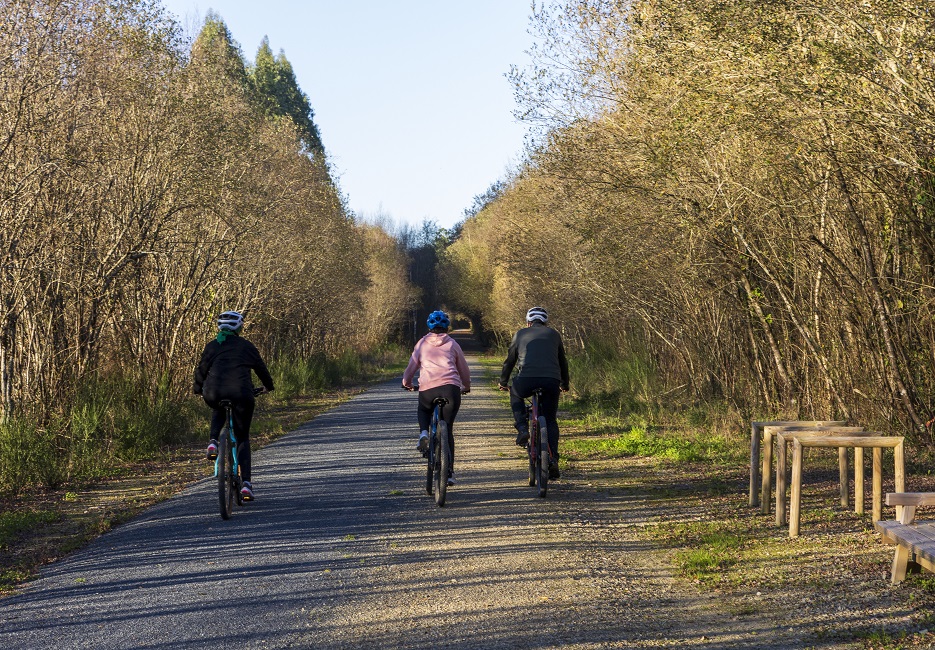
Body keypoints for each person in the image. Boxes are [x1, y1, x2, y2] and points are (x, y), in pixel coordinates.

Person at [194, 310, 274, 501]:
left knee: (218, 408)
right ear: (239, 327)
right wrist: (268, 387)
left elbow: (201, 370)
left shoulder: (212, 346)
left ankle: (213, 441)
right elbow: (261, 369)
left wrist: (198, 389)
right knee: (242, 438)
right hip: (241, 394)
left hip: (213, 392)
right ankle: (246, 484)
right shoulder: (247, 346)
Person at [498, 306, 569, 479]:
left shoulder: (520, 334)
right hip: (551, 381)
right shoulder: (554, 334)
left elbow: (509, 361)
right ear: (545, 322)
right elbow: (562, 362)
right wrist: (564, 383)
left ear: (528, 322)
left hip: (526, 380)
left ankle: (522, 427)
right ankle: (553, 459)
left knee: (515, 392)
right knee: (550, 420)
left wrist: (503, 382)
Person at [402, 310, 471, 485]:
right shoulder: (453, 344)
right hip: (451, 389)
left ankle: (424, 433)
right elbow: (463, 369)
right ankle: (448, 473)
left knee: (423, 409)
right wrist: (466, 386)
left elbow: (411, 368)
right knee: (447, 429)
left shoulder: (421, 344)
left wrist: (407, 383)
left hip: (428, 389)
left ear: (429, 327)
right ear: (447, 326)